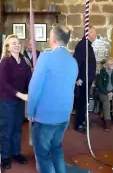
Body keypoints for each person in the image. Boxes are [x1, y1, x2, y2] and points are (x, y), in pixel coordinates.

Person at [27, 25, 78, 173]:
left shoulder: (46, 57)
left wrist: (30, 111)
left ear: (53, 39)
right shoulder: (73, 61)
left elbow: (35, 87)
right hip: (64, 114)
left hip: (46, 116)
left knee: (43, 156)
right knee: (56, 148)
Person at [0, 34, 32, 169]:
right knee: (7, 128)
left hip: (20, 100)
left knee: (17, 127)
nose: (17, 45)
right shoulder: (5, 62)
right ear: (7, 47)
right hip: (8, 99)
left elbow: (29, 78)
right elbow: (4, 83)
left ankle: (16, 153)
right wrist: (21, 95)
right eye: (13, 43)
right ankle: (5, 156)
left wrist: (32, 91)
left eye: (18, 43)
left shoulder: (24, 60)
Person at [73, 25, 97, 133]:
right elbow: (75, 62)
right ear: (89, 33)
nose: (95, 35)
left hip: (87, 80)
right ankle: (78, 124)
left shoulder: (88, 45)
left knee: (84, 103)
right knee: (81, 103)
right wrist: (76, 78)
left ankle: (83, 121)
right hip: (82, 81)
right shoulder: (82, 45)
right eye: (94, 33)